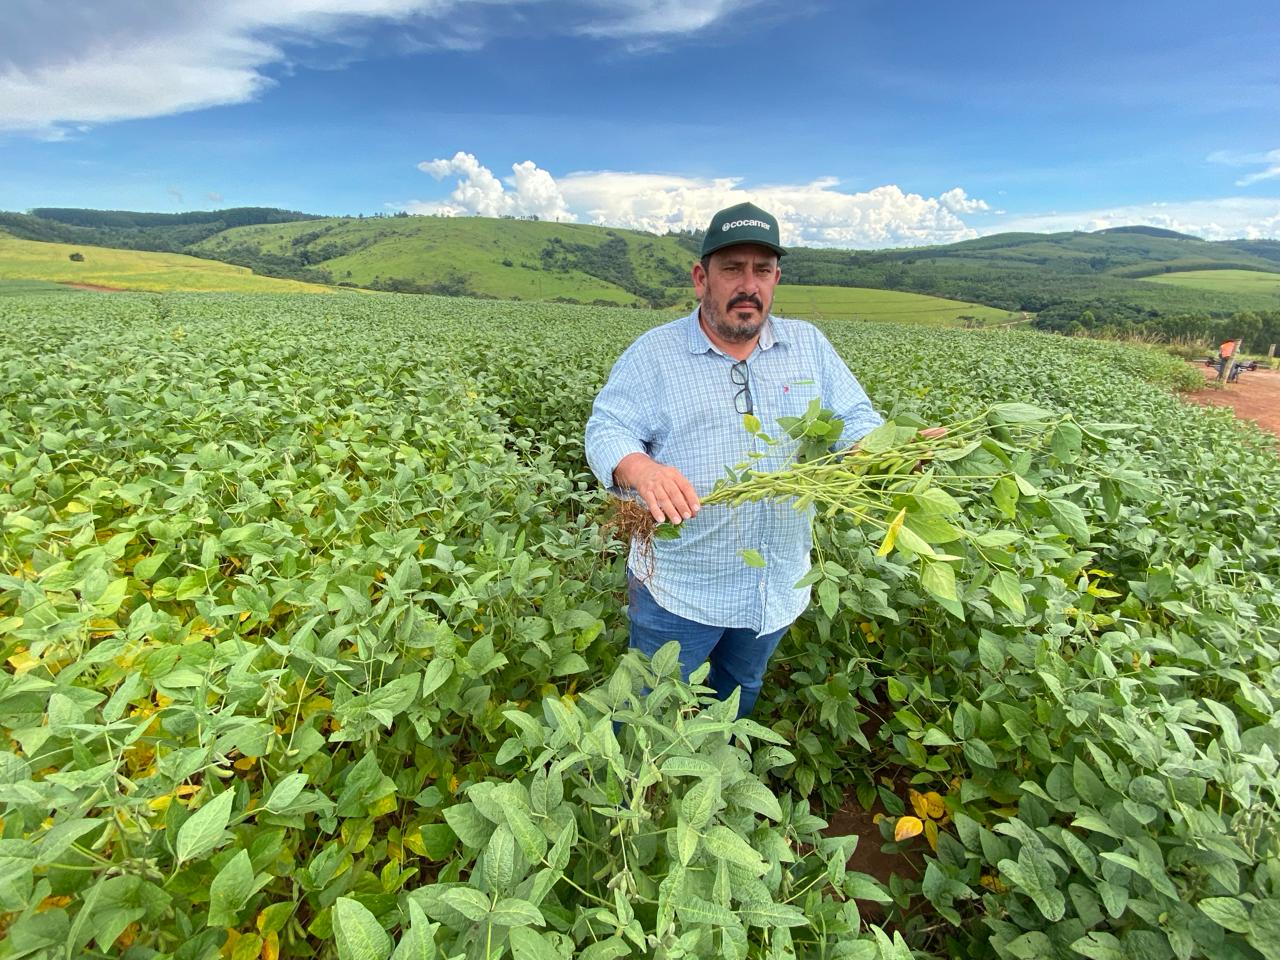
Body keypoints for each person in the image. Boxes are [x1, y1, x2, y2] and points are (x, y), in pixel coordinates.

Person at [584, 201, 882, 717]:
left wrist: (886, 450)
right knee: (652, 714)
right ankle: (650, 792)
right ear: (702, 278)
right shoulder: (655, 354)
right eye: (732, 269)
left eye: (762, 270)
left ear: (776, 278)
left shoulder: (809, 346)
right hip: (679, 590)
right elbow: (607, 427)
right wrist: (641, 468)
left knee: (736, 696)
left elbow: (857, 419)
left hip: (773, 589)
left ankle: (716, 782)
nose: (749, 284)